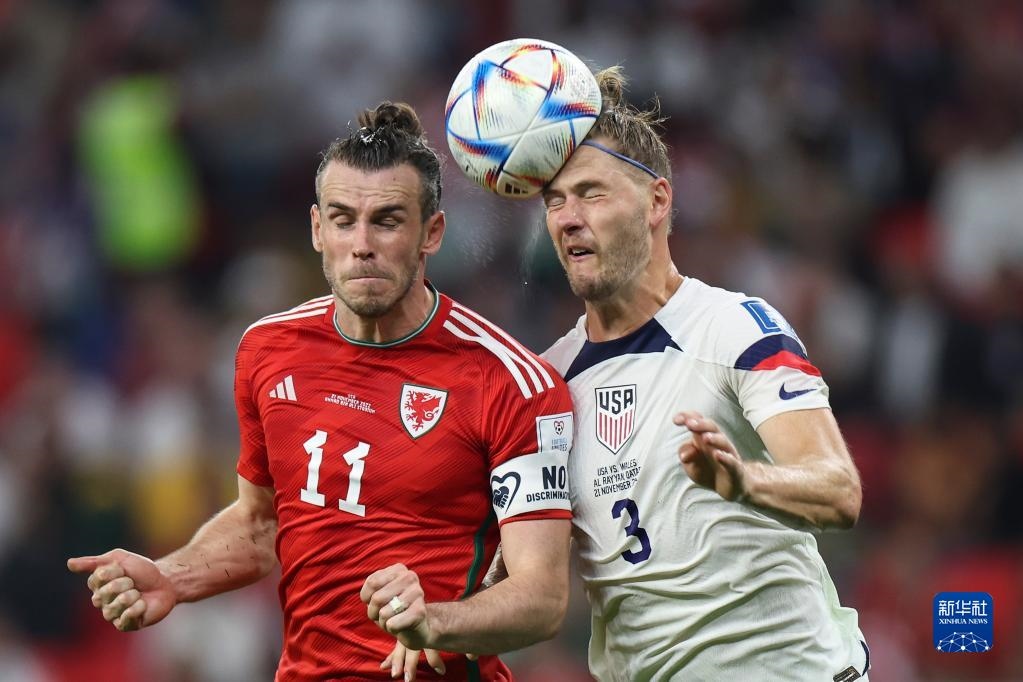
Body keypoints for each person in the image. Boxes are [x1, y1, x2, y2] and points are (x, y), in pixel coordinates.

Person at [67, 102, 576, 681]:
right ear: (317, 229)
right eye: (342, 220)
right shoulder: (268, 349)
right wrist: (171, 576)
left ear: (431, 232)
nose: (362, 244)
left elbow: (542, 598)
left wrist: (437, 621)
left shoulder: (511, 382)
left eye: (387, 221)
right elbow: (260, 523)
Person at [535, 67, 870, 680]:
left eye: (592, 193)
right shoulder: (547, 381)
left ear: (657, 201)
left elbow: (838, 490)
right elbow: (535, 573)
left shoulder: (734, 327)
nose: (568, 218)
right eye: (555, 200)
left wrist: (744, 481)